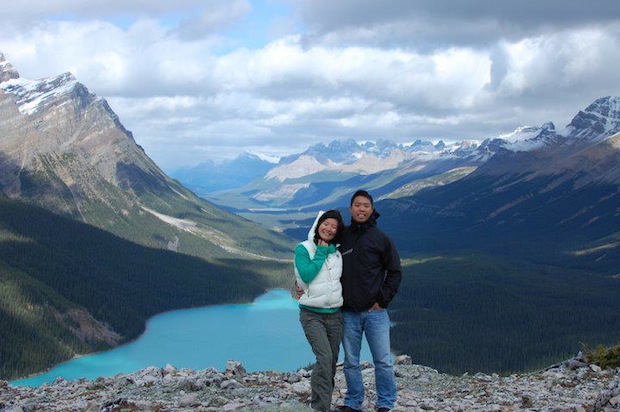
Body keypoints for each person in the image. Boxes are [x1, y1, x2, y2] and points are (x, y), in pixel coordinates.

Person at [337, 190, 402, 412]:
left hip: (375, 313)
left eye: (365, 205)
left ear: (372, 209)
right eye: (357, 205)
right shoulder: (343, 236)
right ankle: (353, 402)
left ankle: (385, 403)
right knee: (351, 362)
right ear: (351, 209)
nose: (361, 209)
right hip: (348, 312)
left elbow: (395, 272)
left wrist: (382, 301)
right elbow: (323, 256)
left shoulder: (382, 239)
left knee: (383, 361)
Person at [294, 209, 346, 412]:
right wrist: (322, 252)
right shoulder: (304, 248)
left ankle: (323, 403)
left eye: (334, 226)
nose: (329, 228)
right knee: (324, 358)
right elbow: (306, 275)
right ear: (318, 224)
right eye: (326, 223)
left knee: (331, 363)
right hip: (311, 314)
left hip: (334, 314)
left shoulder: (338, 252)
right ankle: (319, 407)